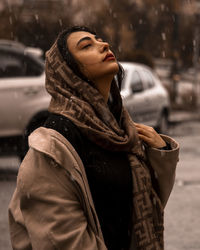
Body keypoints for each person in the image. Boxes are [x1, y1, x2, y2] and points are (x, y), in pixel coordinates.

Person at [8, 26, 179, 250]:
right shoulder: (54, 143)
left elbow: (143, 210)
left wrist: (160, 155)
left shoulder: (119, 131)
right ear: (68, 71)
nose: (104, 45)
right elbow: (63, 241)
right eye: (87, 46)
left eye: (100, 40)